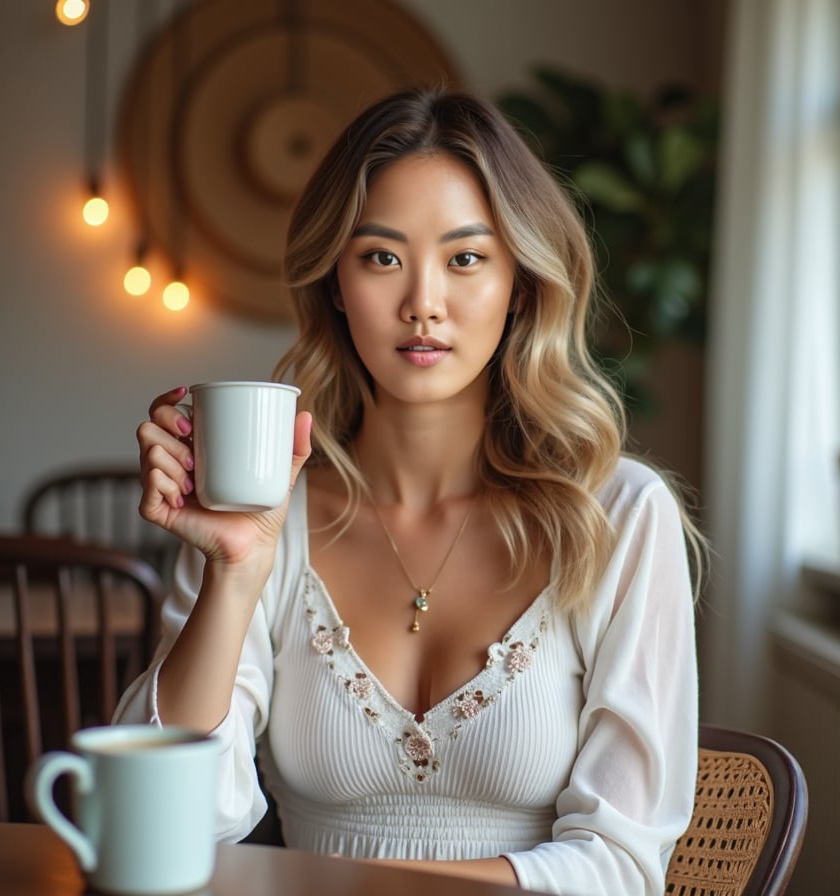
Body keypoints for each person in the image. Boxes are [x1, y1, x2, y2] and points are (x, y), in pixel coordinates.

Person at [114, 86, 704, 896]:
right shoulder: (264, 517)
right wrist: (235, 572)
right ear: (334, 286)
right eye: (381, 257)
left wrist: (338, 882)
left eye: (466, 258)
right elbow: (163, 826)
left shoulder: (619, 518)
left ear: (521, 287)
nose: (422, 303)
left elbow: (621, 866)